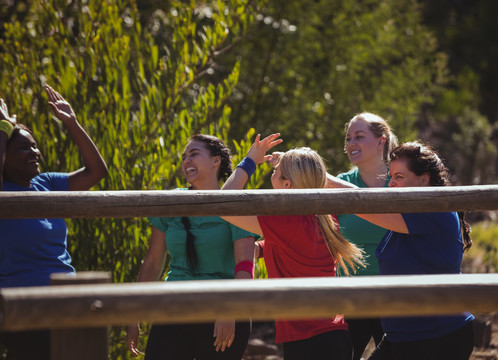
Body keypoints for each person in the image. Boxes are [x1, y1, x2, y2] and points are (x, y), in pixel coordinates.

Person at [220, 133, 365, 360]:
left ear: (287, 183)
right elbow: (288, 247)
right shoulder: (323, 216)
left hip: (310, 340)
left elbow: (223, 204)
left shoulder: (286, 221)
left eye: (276, 171)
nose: (272, 172)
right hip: (330, 335)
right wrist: (255, 249)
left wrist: (249, 162)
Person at [328, 141, 475, 360]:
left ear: (423, 179)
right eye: (391, 176)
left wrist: (321, 177)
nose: (391, 184)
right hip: (404, 336)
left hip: (439, 336)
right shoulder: (407, 213)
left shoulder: (433, 209)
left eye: (399, 177)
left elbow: (364, 205)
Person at [126, 134, 258, 360]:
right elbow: (153, 262)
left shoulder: (236, 202)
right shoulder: (170, 201)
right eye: (184, 156)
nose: (186, 160)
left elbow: (245, 267)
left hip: (222, 310)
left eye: (194, 154)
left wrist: (231, 311)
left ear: (216, 161)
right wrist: (134, 314)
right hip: (174, 307)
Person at [0, 85, 108, 359]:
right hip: (24, 308)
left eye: (35, 146)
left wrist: (72, 123)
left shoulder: (45, 182)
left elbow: (96, 171)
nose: (35, 152)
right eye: (25, 147)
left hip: (68, 301)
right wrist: (2, 127)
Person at [327, 112, 398, 359]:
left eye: (359, 136)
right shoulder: (337, 184)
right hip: (349, 297)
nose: (350, 144)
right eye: (348, 139)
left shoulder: (400, 181)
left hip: (395, 296)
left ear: (382, 141)